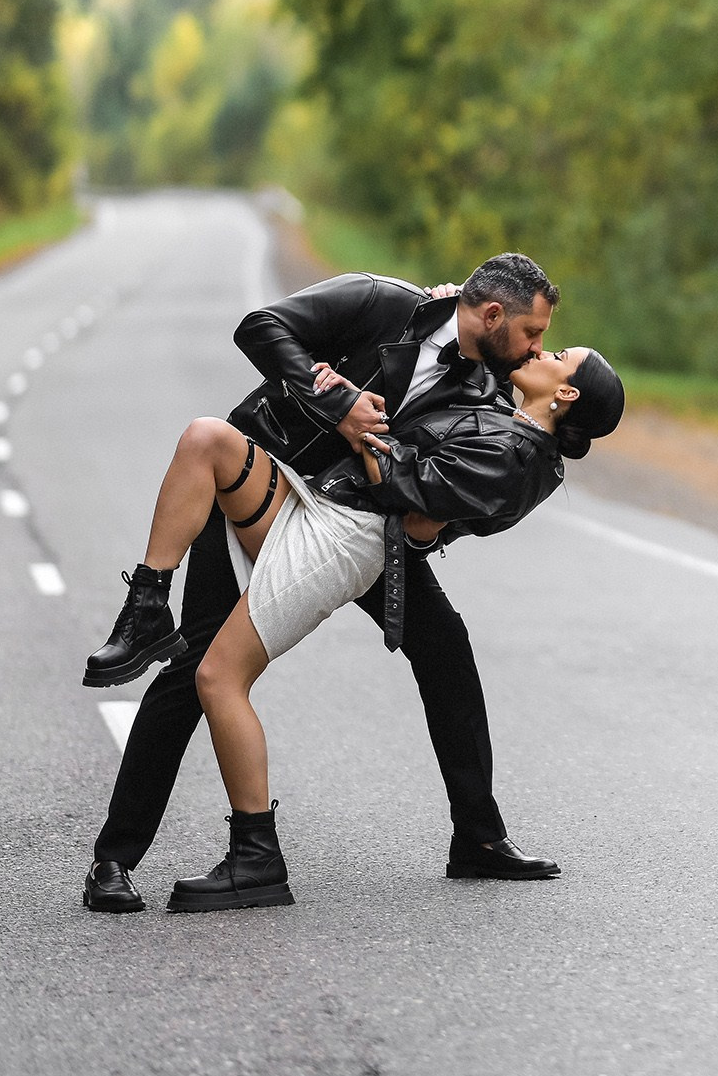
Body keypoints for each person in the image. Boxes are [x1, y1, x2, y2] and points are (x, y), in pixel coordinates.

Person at [81, 254, 563, 913]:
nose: (536, 348)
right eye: (532, 332)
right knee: (195, 664)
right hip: (262, 484)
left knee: (445, 646)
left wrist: (429, 534)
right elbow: (260, 327)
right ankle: (114, 859)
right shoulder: (381, 301)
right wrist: (334, 399)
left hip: (357, 526)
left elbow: (456, 491)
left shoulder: (488, 392)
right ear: (493, 314)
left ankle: (478, 838)